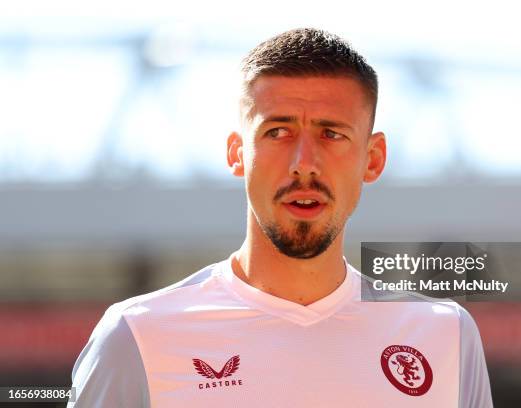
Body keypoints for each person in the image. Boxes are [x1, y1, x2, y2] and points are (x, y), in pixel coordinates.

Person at [68, 28, 493, 407]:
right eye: (277, 132)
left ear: (373, 157)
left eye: (332, 134)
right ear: (238, 153)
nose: (304, 164)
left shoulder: (446, 336)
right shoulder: (136, 336)